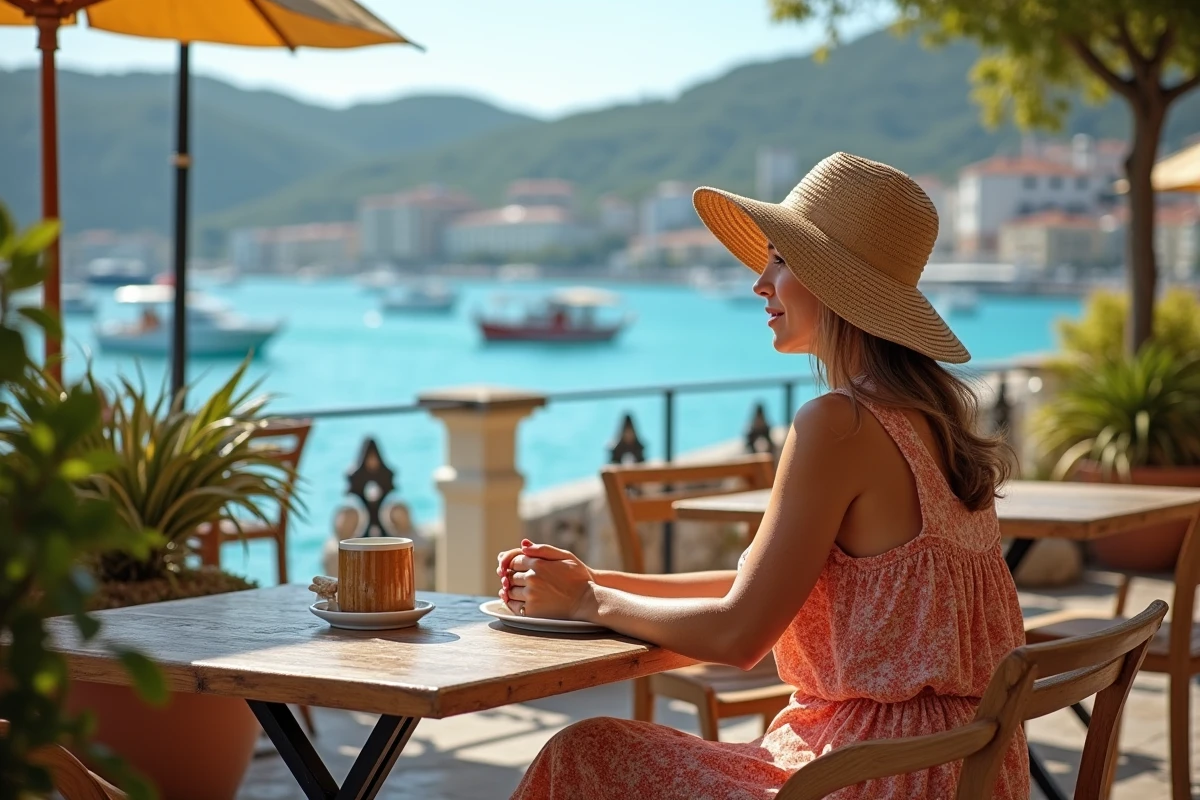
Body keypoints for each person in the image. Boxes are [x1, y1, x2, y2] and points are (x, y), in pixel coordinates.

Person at [497, 152, 1029, 799]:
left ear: (830, 281)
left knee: (586, 752)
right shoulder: (930, 420)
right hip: (958, 766)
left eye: (779, 260)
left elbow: (739, 632)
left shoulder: (840, 423)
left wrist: (587, 603)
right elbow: (772, 589)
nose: (759, 282)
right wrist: (590, 580)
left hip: (865, 775)